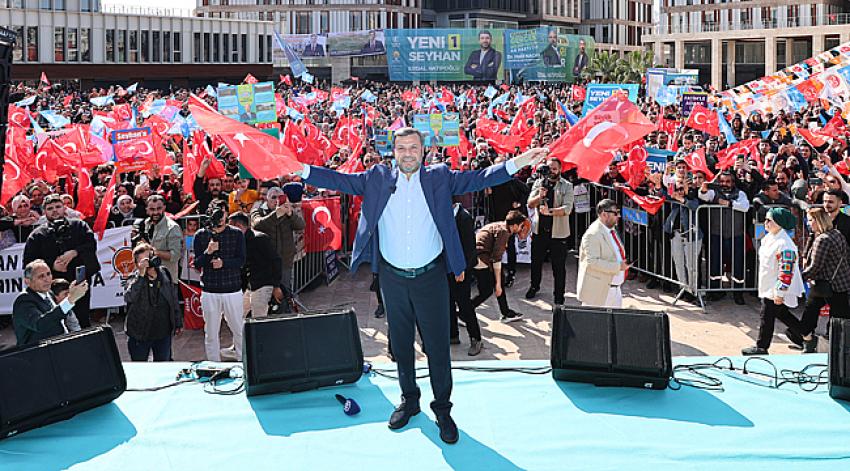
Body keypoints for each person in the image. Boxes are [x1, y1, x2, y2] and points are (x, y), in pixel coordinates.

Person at [293, 126, 546, 445]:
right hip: (392, 278)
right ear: (393, 152)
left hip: (430, 277)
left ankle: (442, 409)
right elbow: (338, 180)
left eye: (414, 148)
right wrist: (300, 169)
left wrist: (518, 161)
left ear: (423, 151)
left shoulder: (439, 177)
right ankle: (409, 400)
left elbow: (480, 178)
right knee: (400, 344)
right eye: (402, 148)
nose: (408, 153)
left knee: (438, 346)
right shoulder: (377, 178)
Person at [23, 194, 100, 328]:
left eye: (58, 207)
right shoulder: (37, 235)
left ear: (64, 208)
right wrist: (51, 265)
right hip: (52, 286)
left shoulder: (79, 225)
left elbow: (90, 244)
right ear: (44, 212)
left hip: (78, 281)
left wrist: (74, 252)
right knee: (57, 321)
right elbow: (29, 262)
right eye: (50, 208)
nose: (54, 211)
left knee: (82, 317)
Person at [742, 208, 806, 355]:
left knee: (767, 316)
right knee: (782, 314)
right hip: (769, 285)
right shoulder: (770, 238)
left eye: (769, 220)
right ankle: (805, 336)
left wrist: (780, 291)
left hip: (776, 288)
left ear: (779, 223)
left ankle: (762, 347)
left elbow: (786, 270)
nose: (766, 223)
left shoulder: (785, 244)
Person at [193, 201, 246, 361]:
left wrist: (224, 263)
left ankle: (242, 362)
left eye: (223, 213)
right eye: (218, 213)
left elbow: (242, 261)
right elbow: (197, 263)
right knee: (211, 332)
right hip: (210, 291)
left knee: (238, 329)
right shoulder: (200, 235)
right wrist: (208, 252)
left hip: (232, 290)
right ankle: (214, 364)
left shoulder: (237, 234)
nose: (221, 218)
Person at [796, 207, 850, 353]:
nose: (808, 223)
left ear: (818, 220)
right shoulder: (837, 234)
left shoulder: (822, 239)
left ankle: (809, 341)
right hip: (841, 283)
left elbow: (815, 266)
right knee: (839, 318)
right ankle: (835, 345)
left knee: (811, 314)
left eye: (810, 220)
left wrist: (799, 278)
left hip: (826, 284)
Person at [526, 158, 574, 305]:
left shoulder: (567, 186)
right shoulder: (538, 183)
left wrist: (550, 212)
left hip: (558, 233)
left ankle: (559, 295)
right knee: (536, 262)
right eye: (549, 168)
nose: (551, 171)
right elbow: (529, 203)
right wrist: (539, 196)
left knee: (558, 267)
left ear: (560, 170)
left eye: (554, 169)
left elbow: (567, 208)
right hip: (539, 231)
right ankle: (534, 286)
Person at [698, 171, 750, 305]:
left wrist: (728, 204)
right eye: (722, 181)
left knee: (738, 265)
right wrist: (704, 187)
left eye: (727, 181)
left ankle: (738, 293)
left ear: (733, 182)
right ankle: (715, 291)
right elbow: (703, 195)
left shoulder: (740, 194)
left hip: (736, 235)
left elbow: (745, 207)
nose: (724, 184)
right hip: (717, 234)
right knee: (715, 263)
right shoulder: (714, 192)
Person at [124, 243, 183, 361]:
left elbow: (172, 298)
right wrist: (141, 275)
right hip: (140, 334)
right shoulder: (134, 279)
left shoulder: (164, 273)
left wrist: (178, 322)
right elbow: (129, 297)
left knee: (164, 366)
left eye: (150, 257)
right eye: (144, 260)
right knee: (139, 368)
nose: (149, 262)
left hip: (163, 332)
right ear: (137, 264)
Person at [13, 260, 89, 346]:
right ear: (27, 281)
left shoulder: (49, 293)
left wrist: (72, 294)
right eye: (41, 276)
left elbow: (61, 315)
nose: (47, 279)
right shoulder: (23, 300)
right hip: (37, 354)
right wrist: (70, 299)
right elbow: (40, 324)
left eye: (48, 274)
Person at [471, 211, 528, 323]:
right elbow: (496, 259)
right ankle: (464, 313)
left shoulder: (501, 226)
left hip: (478, 257)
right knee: (487, 290)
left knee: (498, 280)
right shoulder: (504, 232)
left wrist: (499, 282)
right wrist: (497, 285)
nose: (522, 229)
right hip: (480, 259)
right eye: (521, 226)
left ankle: (505, 312)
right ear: (514, 225)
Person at [251, 187, 305, 296]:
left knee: (285, 291)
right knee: (266, 293)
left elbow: (301, 225)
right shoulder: (258, 210)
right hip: (266, 262)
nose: (276, 200)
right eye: (273, 197)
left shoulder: (287, 210)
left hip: (285, 260)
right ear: (267, 199)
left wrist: (290, 214)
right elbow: (257, 225)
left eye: (279, 197)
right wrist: (276, 214)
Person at [228, 212, 282, 319]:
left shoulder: (260, 239)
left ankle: (259, 336)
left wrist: (276, 285)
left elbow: (276, 260)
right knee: (238, 315)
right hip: (251, 284)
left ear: (239, 226)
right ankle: (242, 335)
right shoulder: (240, 241)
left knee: (259, 318)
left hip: (263, 283)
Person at [577, 199, 630, 308]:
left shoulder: (611, 229)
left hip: (614, 291)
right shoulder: (592, 234)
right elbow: (592, 262)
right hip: (599, 293)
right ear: (604, 214)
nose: (618, 216)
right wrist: (618, 266)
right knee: (595, 324)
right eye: (615, 213)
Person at [449, 201, 483, 356]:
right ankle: (453, 335)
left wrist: (461, 269)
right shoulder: (444, 215)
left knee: (464, 304)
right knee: (448, 302)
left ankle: (476, 338)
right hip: (447, 268)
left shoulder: (464, 218)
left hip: (462, 269)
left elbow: (470, 249)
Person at [135, 194, 183, 283]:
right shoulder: (146, 224)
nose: (156, 212)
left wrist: (153, 252)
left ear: (164, 208)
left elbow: (175, 255)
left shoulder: (172, 227)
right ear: (147, 210)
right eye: (152, 209)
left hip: (167, 281)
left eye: (159, 208)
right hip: (149, 279)